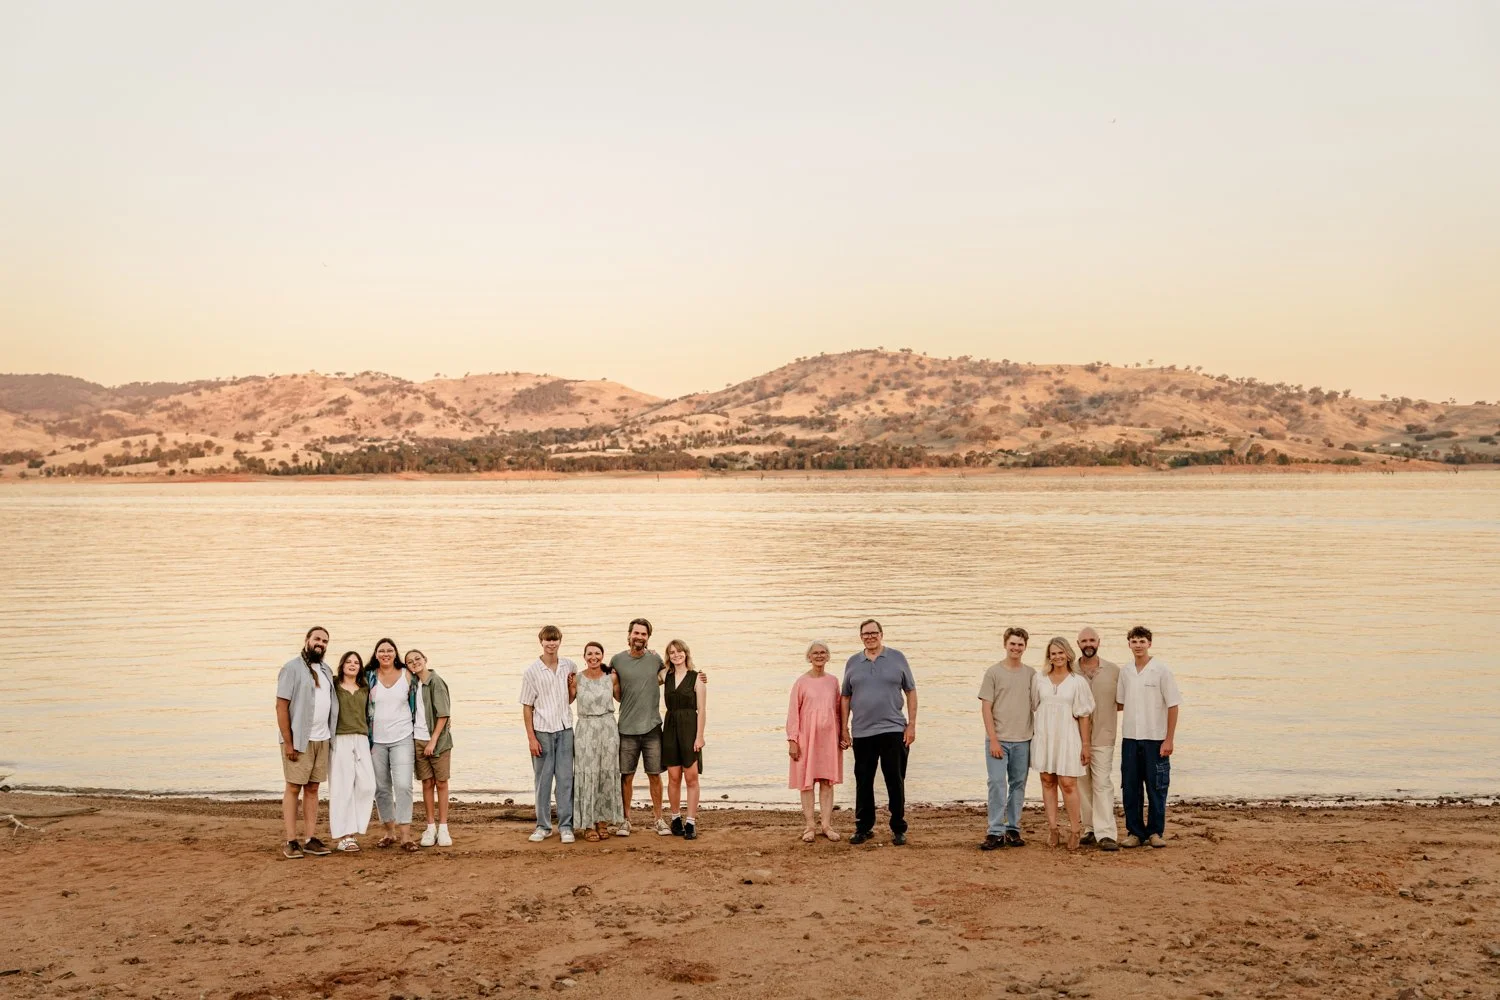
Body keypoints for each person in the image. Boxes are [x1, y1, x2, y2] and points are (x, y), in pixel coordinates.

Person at [840, 619, 917, 846]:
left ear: (881, 634)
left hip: (894, 729)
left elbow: (911, 691)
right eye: (865, 634)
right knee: (863, 781)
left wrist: (911, 725)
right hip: (862, 732)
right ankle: (863, 827)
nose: (870, 636)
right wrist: (844, 728)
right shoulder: (853, 662)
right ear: (861, 637)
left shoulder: (897, 658)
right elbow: (845, 696)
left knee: (895, 779)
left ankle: (898, 827)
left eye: (874, 633)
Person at [977, 627, 1043, 851]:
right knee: (996, 783)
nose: (1016, 648)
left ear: (1025, 647)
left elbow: (1037, 705)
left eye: (1020, 645)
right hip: (999, 739)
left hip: (1023, 739)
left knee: (1018, 785)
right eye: (1012, 644)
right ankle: (995, 830)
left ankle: (1013, 828)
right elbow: (986, 708)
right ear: (1005, 644)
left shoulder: (1031, 674)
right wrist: (993, 739)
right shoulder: (993, 672)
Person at [1116, 625, 1182, 849]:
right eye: (1134, 641)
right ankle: (1134, 832)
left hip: (1155, 739)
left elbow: (1173, 705)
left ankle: (1155, 832)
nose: (1138, 645)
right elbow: (1119, 703)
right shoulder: (1125, 671)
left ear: (1149, 644)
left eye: (1142, 641)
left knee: (1156, 787)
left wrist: (1169, 739)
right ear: (1129, 644)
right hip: (1130, 738)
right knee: (1131, 787)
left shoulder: (1161, 670)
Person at [275, 626, 337, 859]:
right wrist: (289, 742)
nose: (320, 643)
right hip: (299, 739)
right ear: (307, 640)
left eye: (325, 641)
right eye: (317, 639)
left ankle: (310, 839)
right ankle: (291, 841)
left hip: (322, 739)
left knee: (313, 789)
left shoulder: (326, 670)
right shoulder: (291, 668)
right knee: (293, 787)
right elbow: (281, 706)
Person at [1032, 637, 1096, 849]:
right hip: (1045, 735)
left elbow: (1084, 715)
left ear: (1068, 654)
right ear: (1048, 656)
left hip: (1068, 737)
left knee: (1068, 784)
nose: (1057, 657)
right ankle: (1053, 829)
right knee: (1047, 780)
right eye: (1053, 653)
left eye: (1061, 653)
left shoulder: (1077, 681)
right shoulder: (1039, 679)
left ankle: (1076, 830)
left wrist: (1085, 744)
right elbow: (1034, 706)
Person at [610, 618, 669, 837]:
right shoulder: (617, 660)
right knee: (626, 776)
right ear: (629, 634)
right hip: (626, 728)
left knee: (655, 775)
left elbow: (671, 676)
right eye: (636, 633)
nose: (639, 637)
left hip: (652, 727)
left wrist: (697, 678)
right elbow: (603, 679)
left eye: (644, 634)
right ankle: (625, 820)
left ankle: (658, 819)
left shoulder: (655, 659)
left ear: (648, 638)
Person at [521, 624, 576, 844]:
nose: (551, 644)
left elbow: (570, 698)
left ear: (560, 641)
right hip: (542, 731)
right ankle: (543, 826)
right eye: (547, 640)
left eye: (555, 640)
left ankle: (565, 826)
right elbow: (527, 706)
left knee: (565, 780)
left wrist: (572, 689)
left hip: (564, 730)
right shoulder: (532, 671)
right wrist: (531, 738)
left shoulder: (569, 665)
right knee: (542, 781)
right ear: (541, 642)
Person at [364, 637, 418, 851]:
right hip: (376, 740)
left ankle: (405, 835)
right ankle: (389, 832)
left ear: (395, 653)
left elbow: (423, 698)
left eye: (389, 650)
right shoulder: (369, 677)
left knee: (404, 785)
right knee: (381, 788)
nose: (385, 654)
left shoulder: (407, 675)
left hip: (403, 737)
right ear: (376, 655)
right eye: (381, 650)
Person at [787, 641, 843, 843]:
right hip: (806, 738)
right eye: (815, 653)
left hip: (829, 738)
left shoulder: (834, 681)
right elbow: (793, 712)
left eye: (823, 652)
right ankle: (810, 826)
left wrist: (843, 734)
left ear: (828, 657)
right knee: (806, 783)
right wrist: (792, 740)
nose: (819, 656)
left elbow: (839, 710)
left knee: (828, 782)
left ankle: (826, 825)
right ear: (809, 657)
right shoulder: (801, 682)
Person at [572, 640, 625, 841]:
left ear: (602, 656)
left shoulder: (611, 677)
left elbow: (621, 698)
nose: (593, 657)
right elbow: (568, 700)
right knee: (588, 774)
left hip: (608, 728)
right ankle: (588, 824)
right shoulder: (576, 679)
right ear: (584, 657)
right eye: (589, 654)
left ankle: (603, 821)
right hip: (585, 729)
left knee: (606, 774)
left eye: (597, 653)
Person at [1075, 627, 1122, 851]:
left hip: (1104, 735)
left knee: (1102, 783)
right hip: (1075, 737)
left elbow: (1122, 702)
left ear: (1099, 642)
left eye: (1092, 639)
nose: (1088, 644)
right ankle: (1089, 828)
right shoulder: (1070, 670)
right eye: (1084, 640)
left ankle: (1106, 833)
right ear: (1077, 644)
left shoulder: (1113, 670)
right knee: (1082, 784)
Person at [659, 639, 707, 840]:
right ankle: (676, 818)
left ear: (686, 653)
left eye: (679, 651)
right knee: (673, 777)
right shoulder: (664, 675)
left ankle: (691, 822)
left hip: (689, 728)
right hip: (670, 727)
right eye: (671, 652)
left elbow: (702, 709)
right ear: (668, 656)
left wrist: (700, 736)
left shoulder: (697, 678)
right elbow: (642, 677)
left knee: (691, 777)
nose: (676, 655)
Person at [328, 650, 376, 852]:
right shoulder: (334, 686)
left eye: (356, 662)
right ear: (342, 664)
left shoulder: (365, 688)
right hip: (341, 738)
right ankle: (345, 836)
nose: (353, 664)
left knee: (367, 785)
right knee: (342, 788)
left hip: (362, 739)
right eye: (348, 661)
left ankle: (355, 828)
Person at [406, 649, 453, 848]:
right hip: (417, 740)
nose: (415, 662)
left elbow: (443, 714)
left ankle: (443, 827)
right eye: (410, 661)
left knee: (441, 783)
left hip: (438, 741)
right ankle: (430, 826)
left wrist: (433, 740)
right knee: (427, 783)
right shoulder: (414, 684)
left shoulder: (436, 682)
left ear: (425, 660)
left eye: (418, 659)